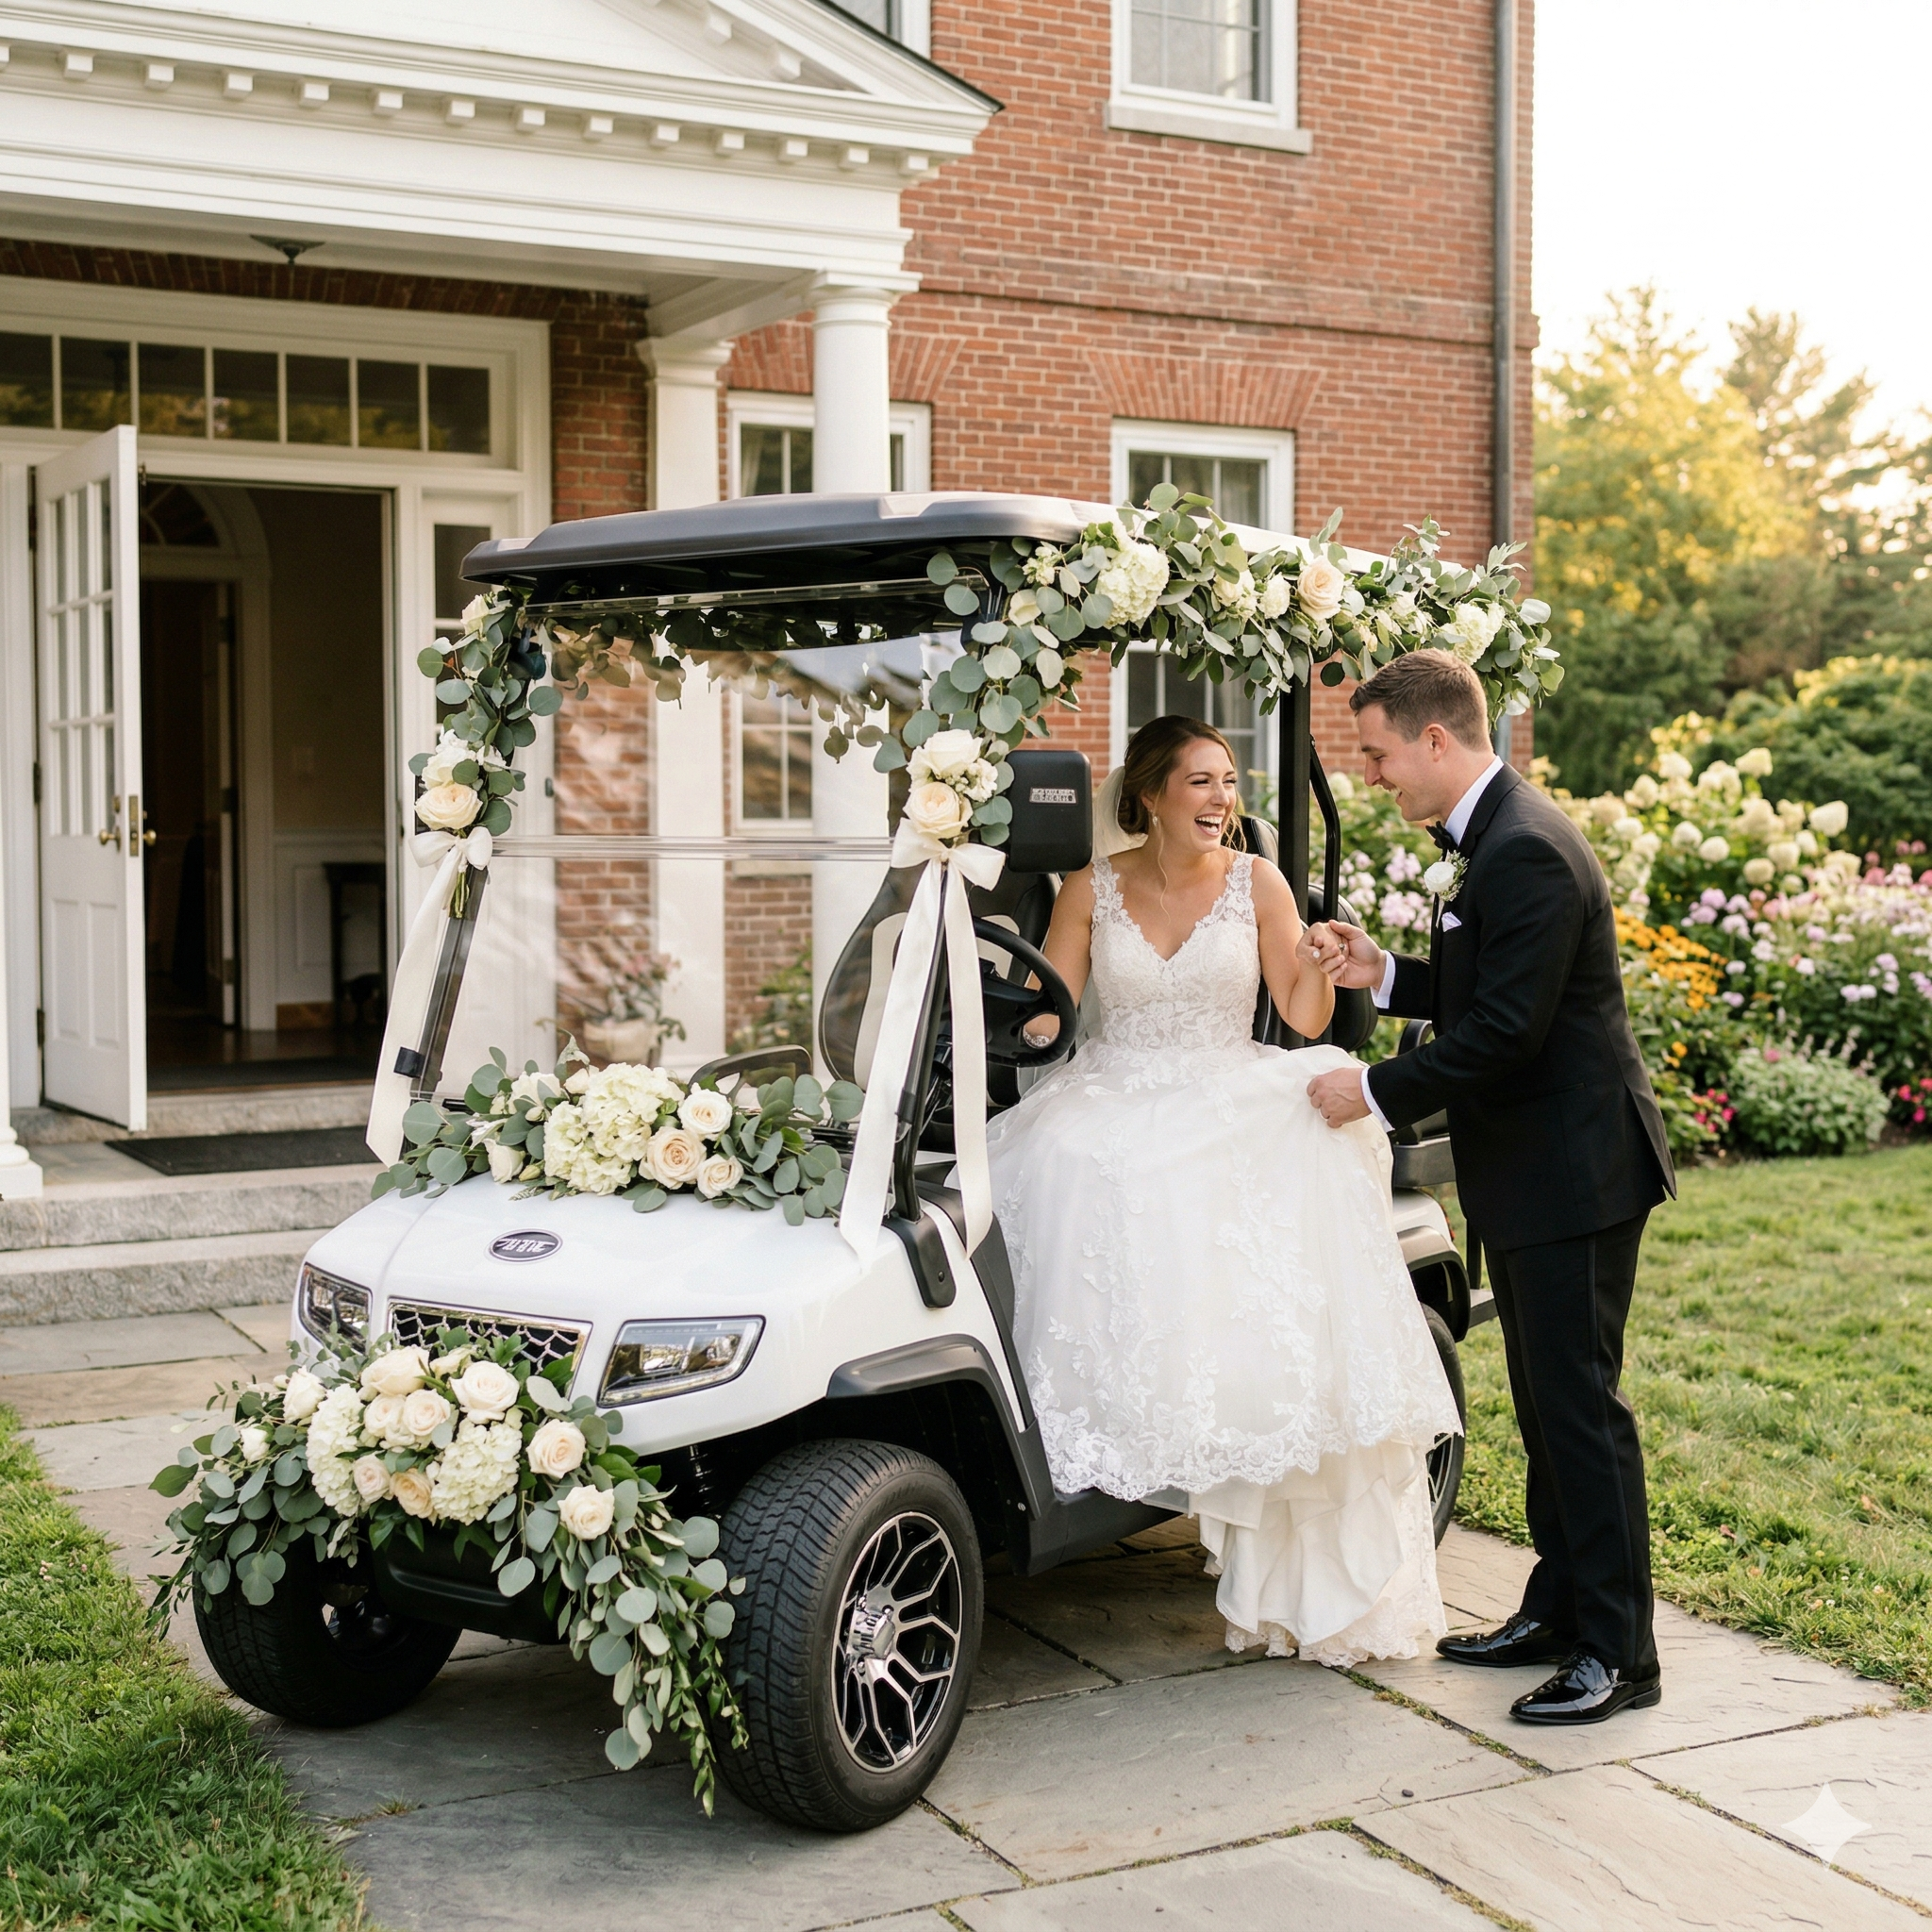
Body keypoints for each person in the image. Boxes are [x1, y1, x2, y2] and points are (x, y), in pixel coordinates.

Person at [983, 714, 1461, 1666]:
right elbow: (1058, 1006)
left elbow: (1299, 1009)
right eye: (1198, 781)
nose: (1218, 799)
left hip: (1223, 1081)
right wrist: (1030, 1029)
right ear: (1150, 795)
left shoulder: (1258, 881)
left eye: (1225, 781)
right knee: (1078, 1163)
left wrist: (1321, 967)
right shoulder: (1091, 887)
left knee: (1229, 1172)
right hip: (1111, 1086)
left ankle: (1248, 1445)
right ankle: (1089, 1442)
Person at [1304, 648, 1675, 1726]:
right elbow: (1495, 992)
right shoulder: (1495, 837)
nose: (1372, 774)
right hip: (1536, 1169)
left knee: (1580, 1412)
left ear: (1433, 737)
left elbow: (1507, 1035)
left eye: (1376, 753)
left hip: (1575, 1172)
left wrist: (1368, 1089)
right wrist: (1387, 974)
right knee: (1550, 1408)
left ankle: (1619, 1649)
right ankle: (1556, 1610)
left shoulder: (1524, 851)